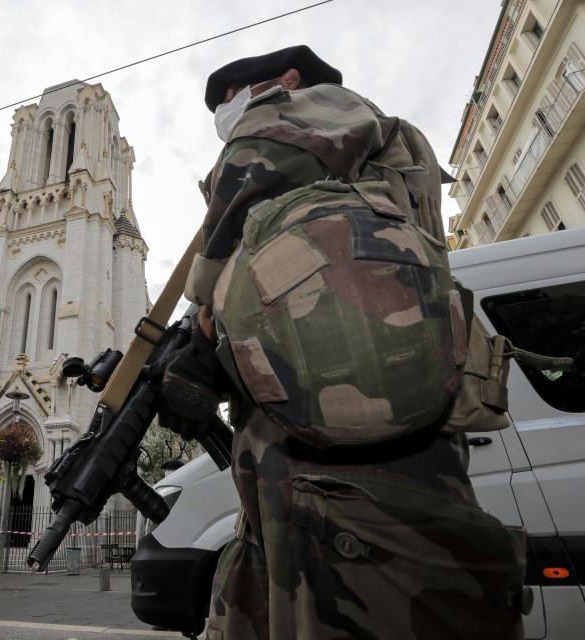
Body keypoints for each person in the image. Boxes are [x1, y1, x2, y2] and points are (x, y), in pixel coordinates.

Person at [156, 45, 529, 639]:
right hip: (340, 414)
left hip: (349, 425)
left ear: (286, 79)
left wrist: (203, 315)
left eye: (230, 101)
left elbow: (257, 167)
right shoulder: (365, 149)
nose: (229, 118)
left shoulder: (317, 107)